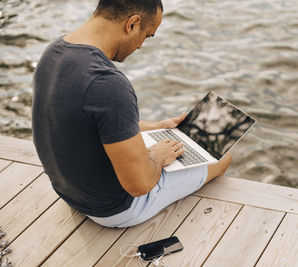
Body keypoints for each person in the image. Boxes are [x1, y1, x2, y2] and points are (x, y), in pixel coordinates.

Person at [32, 0, 231, 228]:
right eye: (147, 36)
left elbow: (88, 121)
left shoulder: (54, 52)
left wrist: (157, 126)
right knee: (222, 158)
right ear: (133, 24)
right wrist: (158, 156)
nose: (140, 47)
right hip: (113, 209)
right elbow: (140, 184)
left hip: (70, 192)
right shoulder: (108, 83)